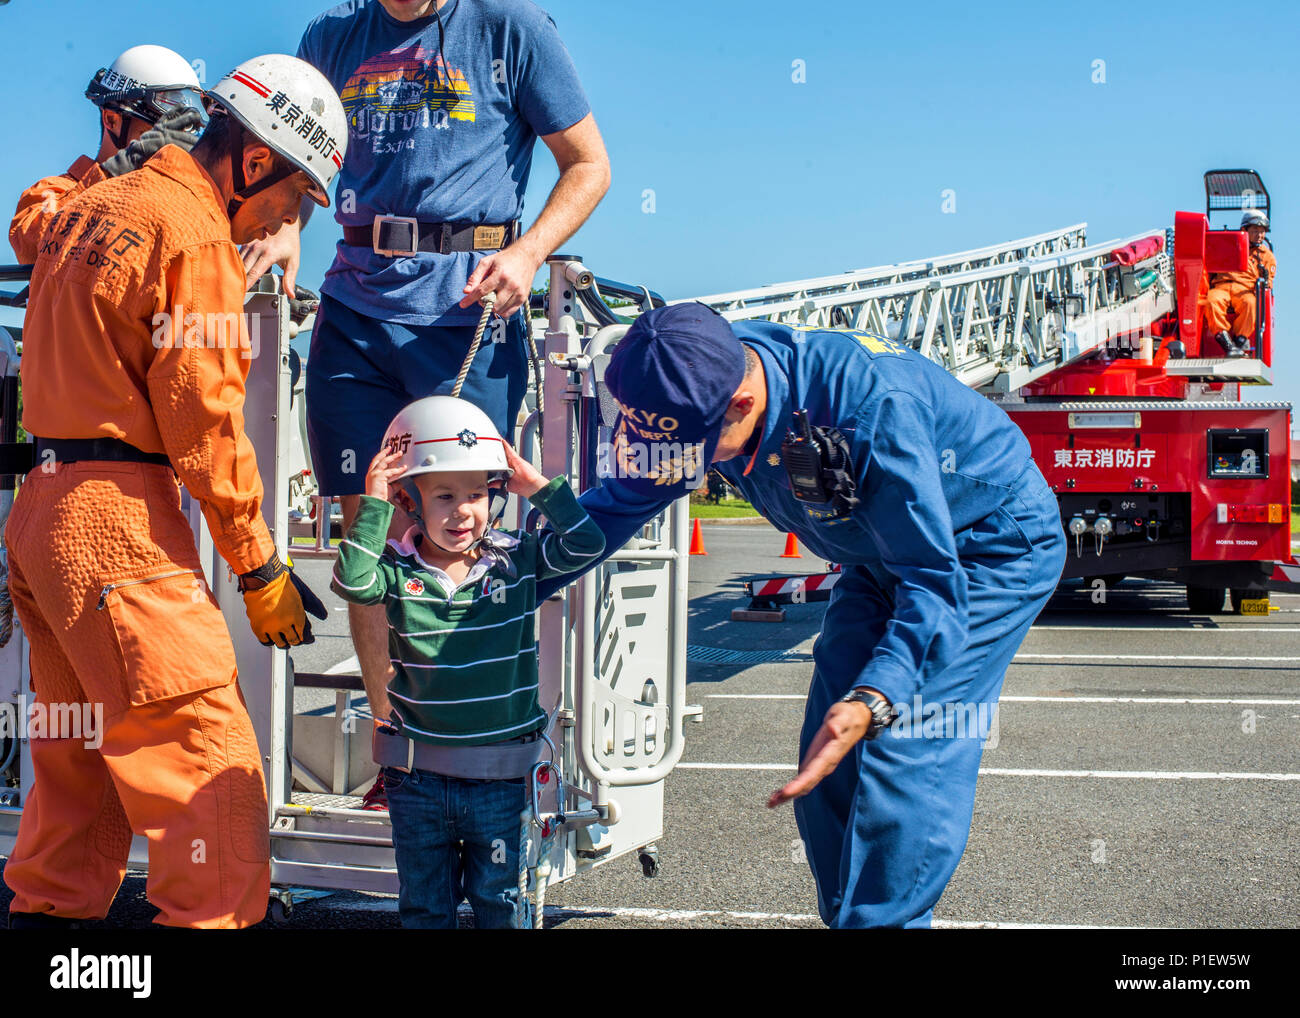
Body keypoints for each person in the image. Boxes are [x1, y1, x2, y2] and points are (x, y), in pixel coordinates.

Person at [540, 303, 1068, 928]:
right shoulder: (691, 377)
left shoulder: (872, 412)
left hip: (982, 550)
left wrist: (877, 694)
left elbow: (933, 579)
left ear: (741, 403)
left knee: (904, 742)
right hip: (878, 556)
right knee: (826, 751)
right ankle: (850, 918)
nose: (684, 466)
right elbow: (620, 503)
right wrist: (504, 585)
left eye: (692, 450)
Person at [2, 54, 345, 930]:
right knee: (210, 781)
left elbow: (33, 217)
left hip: (42, 513)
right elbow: (205, 426)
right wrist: (260, 565)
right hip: (117, 532)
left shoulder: (83, 210)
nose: (290, 219)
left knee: (84, 769)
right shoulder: (194, 234)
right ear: (257, 161)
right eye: (297, 198)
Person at [242, 0, 610, 809]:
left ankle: (473, 748)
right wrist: (294, 222)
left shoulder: (513, 28)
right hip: (355, 310)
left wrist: (528, 249)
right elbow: (302, 160)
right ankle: (396, 751)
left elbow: (588, 164)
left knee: (456, 536)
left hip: (466, 312)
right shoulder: (329, 39)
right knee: (369, 532)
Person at [331, 395, 603, 927]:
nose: (463, 510)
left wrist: (538, 487)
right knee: (425, 908)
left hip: (500, 783)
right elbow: (351, 582)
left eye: (478, 494)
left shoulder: (516, 562)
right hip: (418, 785)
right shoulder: (395, 570)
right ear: (410, 503)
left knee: (500, 905)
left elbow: (586, 542)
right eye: (445, 495)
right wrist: (374, 503)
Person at [8, 44, 208, 264]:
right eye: (154, 136)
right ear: (112, 119)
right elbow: (31, 243)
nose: (166, 150)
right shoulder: (51, 192)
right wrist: (115, 172)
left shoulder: (175, 210)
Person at [1205, 209, 1276, 357]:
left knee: (1251, 304)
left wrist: (1264, 284)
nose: (1260, 235)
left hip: (1245, 289)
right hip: (1222, 286)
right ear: (1244, 230)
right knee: (1211, 301)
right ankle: (1226, 343)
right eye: (1255, 230)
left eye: (1262, 231)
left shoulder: (1266, 256)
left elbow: (1269, 281)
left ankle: (1239, 342)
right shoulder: (1227, 245)